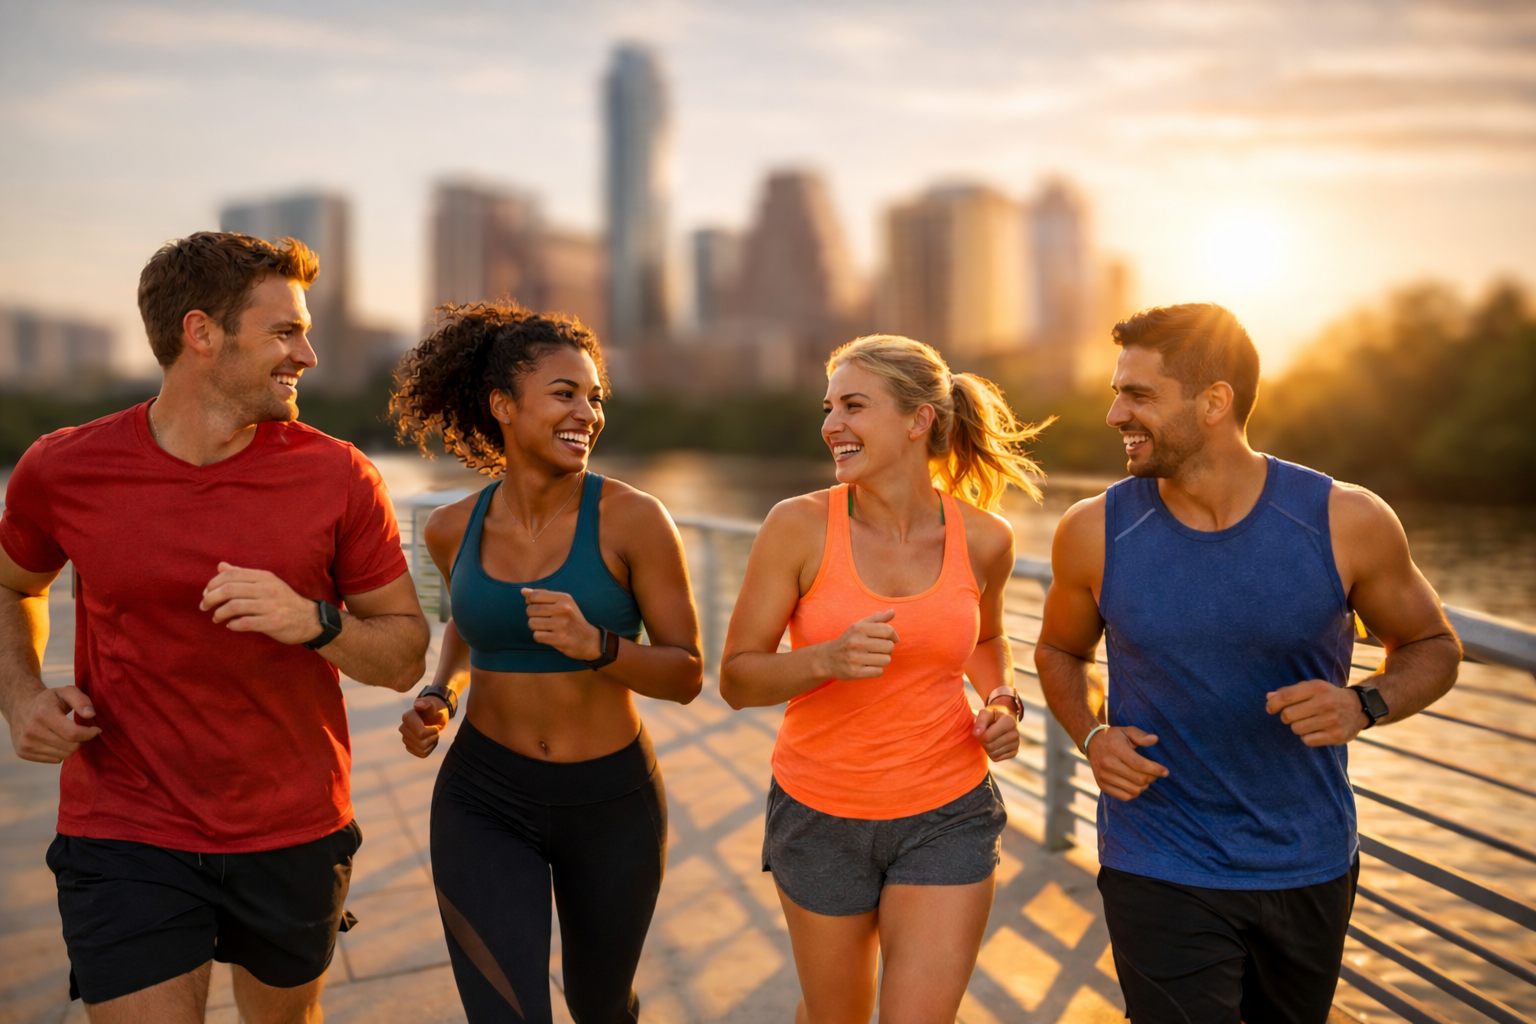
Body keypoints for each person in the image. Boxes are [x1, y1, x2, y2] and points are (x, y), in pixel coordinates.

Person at [0, 232, 431, 1024]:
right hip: (125, 827)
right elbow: (9, 584)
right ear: (201, 334)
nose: (305, 352)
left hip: (293, 825)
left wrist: (314, 622)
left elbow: (404, 656)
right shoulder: (63, 469)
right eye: (283, 331)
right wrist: (21, 695)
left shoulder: (338, 475)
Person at [1035, 303, 1461, 1024]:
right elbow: (1058, 651)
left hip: (1307, 862)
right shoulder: (1092, 531)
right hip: (1156, 858)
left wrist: (1364, 704)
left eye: (1137, 394)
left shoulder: (1345, 519)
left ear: (1214, 402)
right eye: (1117, 392)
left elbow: (1434, 646)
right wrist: (1090, 736)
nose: (1114, 414)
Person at [391, 303, 703, 1024]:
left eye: (595, 398)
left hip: (612, 801)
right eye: (566, 394)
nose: (588, 413)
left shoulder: (634, 519)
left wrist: (599, 646)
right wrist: (439, 693)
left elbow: (687, 674)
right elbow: (467, 633)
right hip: (483, 797)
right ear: (503, 405)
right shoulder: (449, 529)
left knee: (601, 1008)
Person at [719, 335, 1042, 1024]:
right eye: (829, 407)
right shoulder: (798, 527)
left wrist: (1003, 697)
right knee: (835, 1015)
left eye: (854, 405)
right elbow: (738, 678)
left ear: (919, 419)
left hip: (948, 810)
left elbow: (985, 637)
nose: (831, 424)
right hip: (820, 813)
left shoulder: (987, 538)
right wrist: (823, 660)